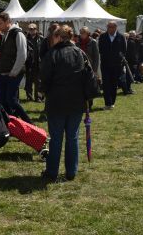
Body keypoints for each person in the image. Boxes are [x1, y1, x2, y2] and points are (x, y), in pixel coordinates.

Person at [40, 25, 85, 181]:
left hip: (57, 102)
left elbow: (45, 78)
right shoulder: (79, 53)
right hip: (76, 102)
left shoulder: (53, 53)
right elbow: (89, 77)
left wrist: (43, 91)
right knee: (72, 137)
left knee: (57, 138)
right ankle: (71, 172)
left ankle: (52, 172)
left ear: (58, 37)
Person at [0, 13, 32, 123]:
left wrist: (14, 72)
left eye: (0, 24)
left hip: (13, 73)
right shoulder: (4, 35)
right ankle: (9, 125)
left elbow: (22, 55)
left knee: (11, 100)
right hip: (3, 73)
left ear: (7, 22)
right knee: (2, 100)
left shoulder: (17, 34)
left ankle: (29, 123)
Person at [98, 21, 126, 110]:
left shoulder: (121, 37)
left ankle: (112, 102)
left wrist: (119, 59)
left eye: (112, 27)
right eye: (109, 27)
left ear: (116, 27)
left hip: (117, 65)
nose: (110, 29)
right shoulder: (102, 37)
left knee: (114, 84)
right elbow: (100, 49)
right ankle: (107, 103)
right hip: (105, 64)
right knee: (106, 84)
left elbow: (124, 50)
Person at [77, 26, 100, 107]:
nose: (82, 34)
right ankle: (83, 103)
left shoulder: (93, 42)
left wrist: (95, 70)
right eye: (81, 33)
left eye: (83, 33)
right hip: (80, 67)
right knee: (81, 86)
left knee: (90, 85)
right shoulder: (78, 42)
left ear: (87, 34)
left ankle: (90, 103)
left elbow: (96, 57)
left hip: (90, 67)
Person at [25, 23, 43, 102]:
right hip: (29, 63)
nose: (31, 30)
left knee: (38, 81)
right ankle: (29, 96)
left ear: (36, 30)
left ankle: (38, 97)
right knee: (28, 81)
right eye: (30, 29)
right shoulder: (25, 39)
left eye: (33, 29)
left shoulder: (41, 39)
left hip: (38, 63)